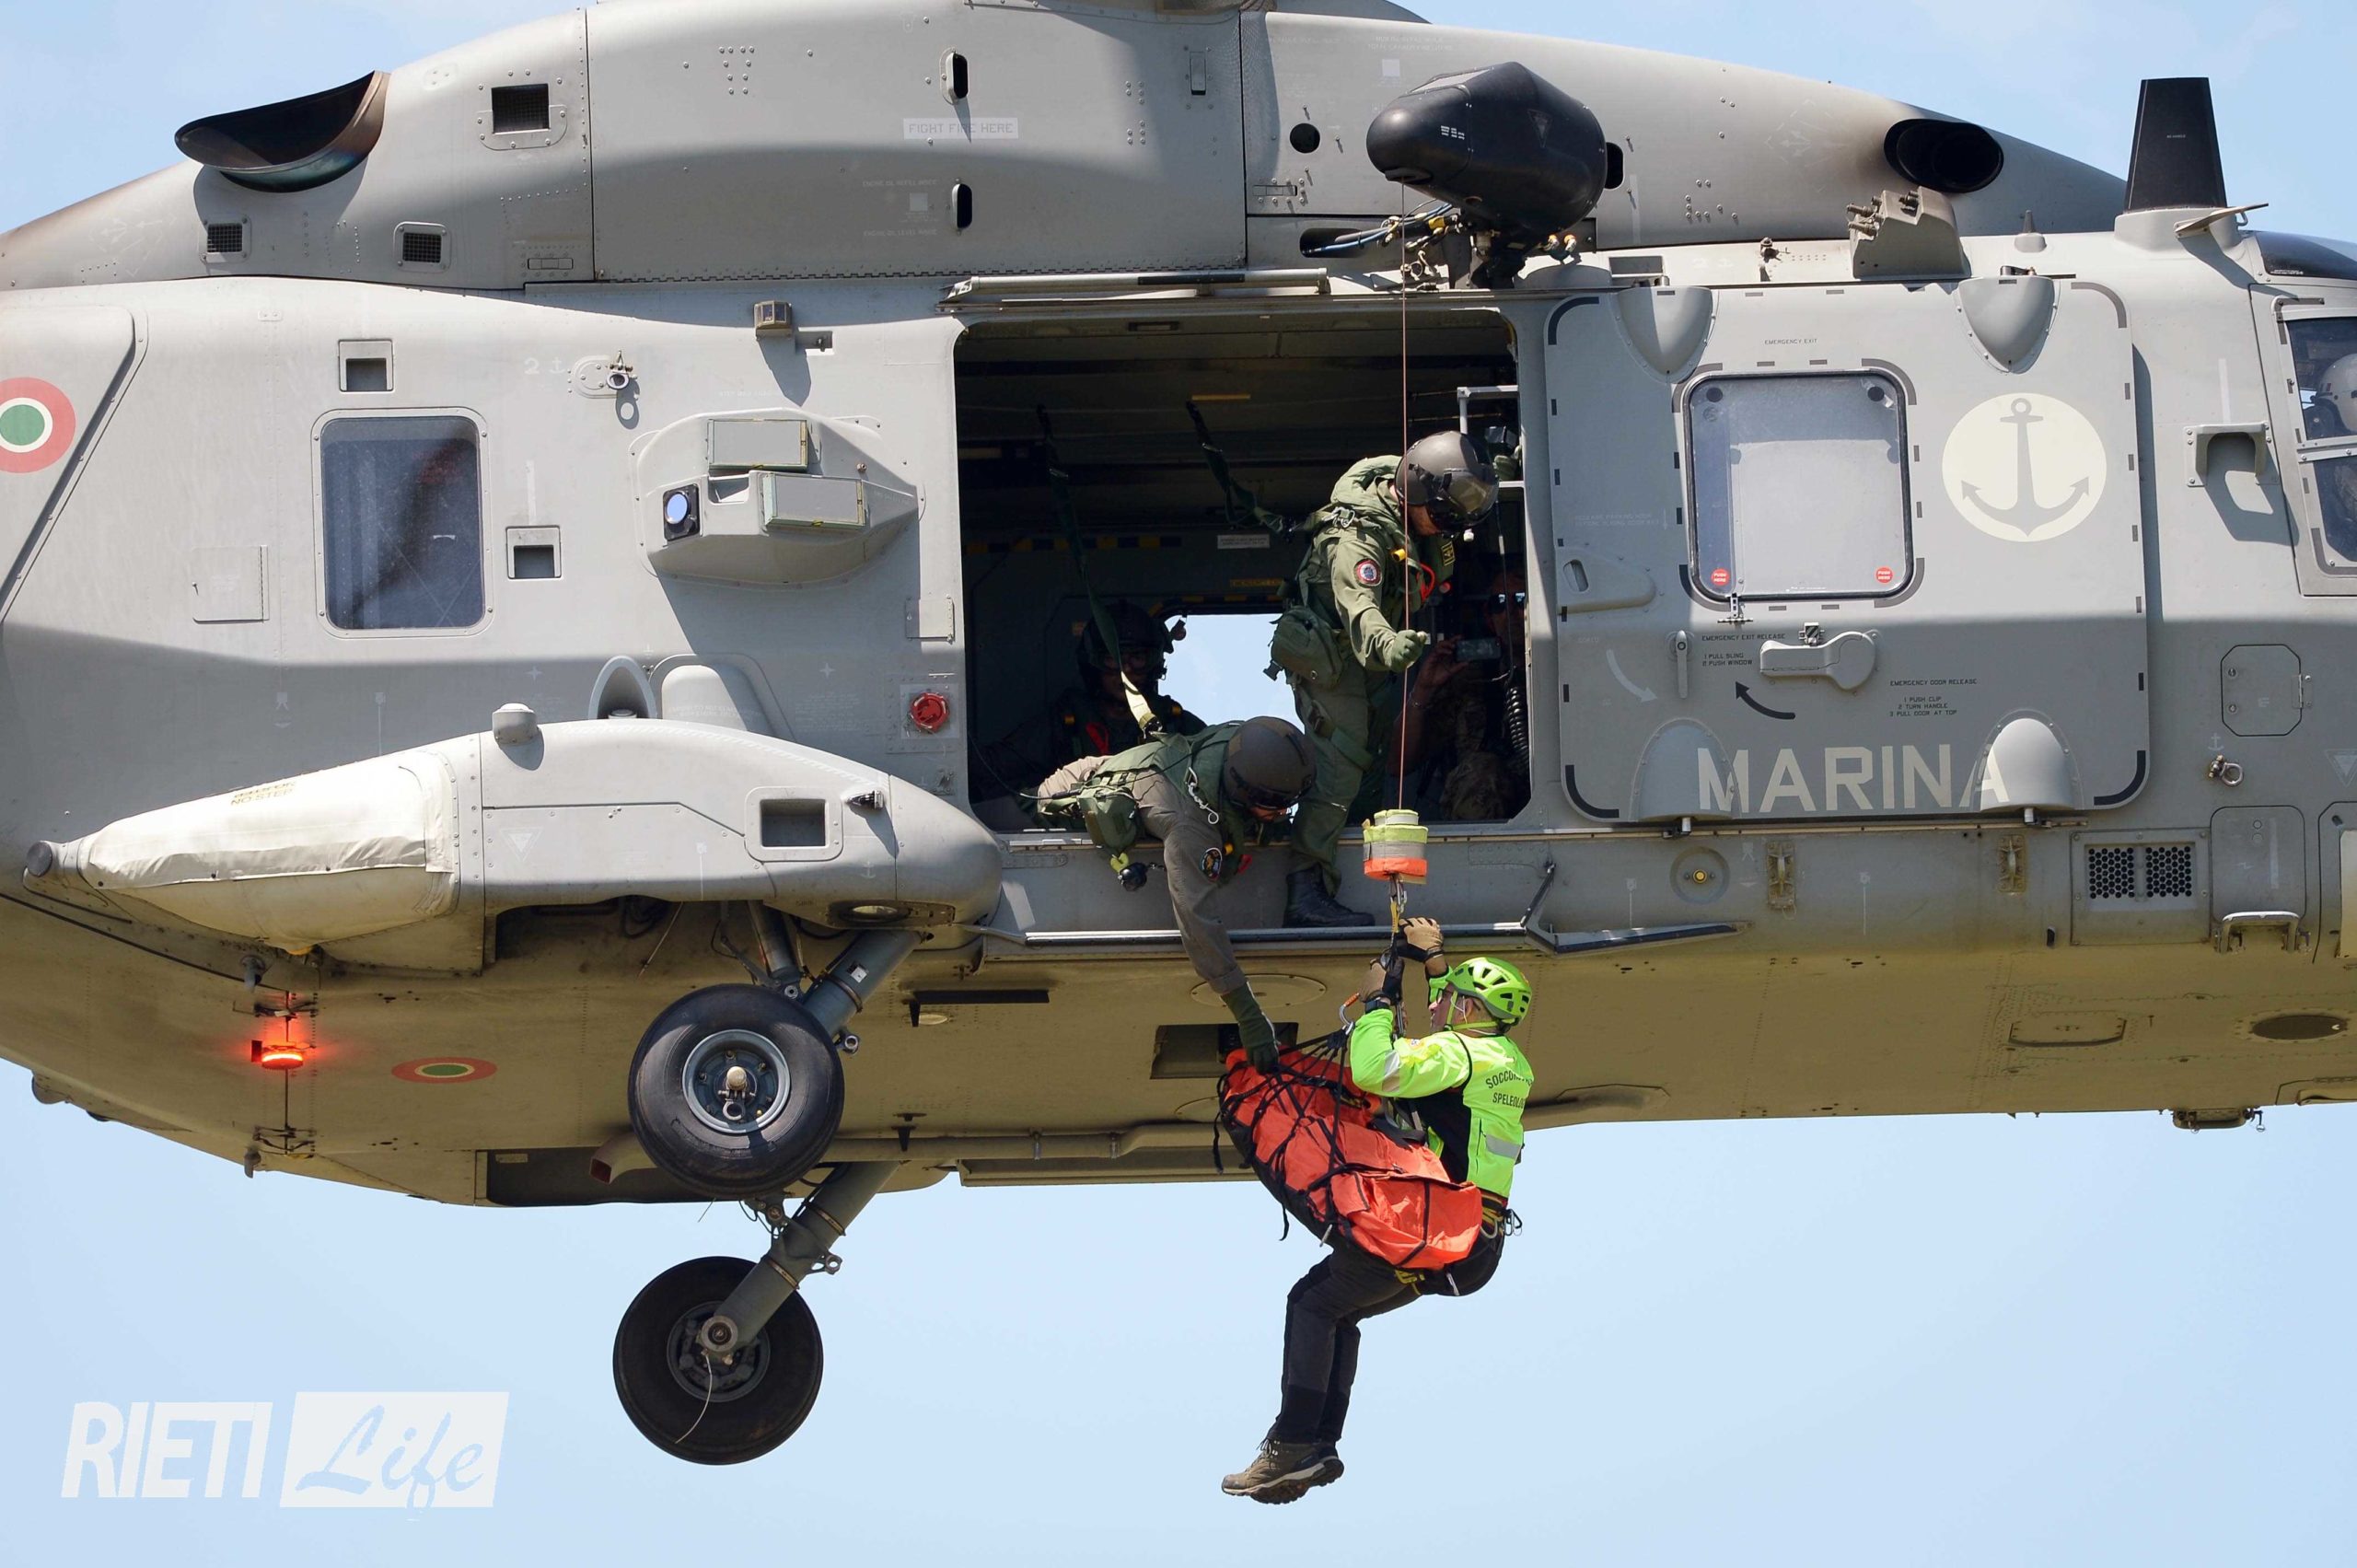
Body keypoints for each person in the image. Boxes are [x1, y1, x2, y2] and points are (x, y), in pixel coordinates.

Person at [1222, 919, 1535, 1504]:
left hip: (1436, 1233)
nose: (1441, 1005)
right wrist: (1430, 958)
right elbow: (1451, 1042)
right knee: (1339, 1313)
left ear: (1468, 1012)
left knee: (1312, 1304)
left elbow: (1373, 1069)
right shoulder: (1508, 1060)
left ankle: (1294, 1446)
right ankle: (1316, 1449)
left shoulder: (1456, 1052)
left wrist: (1378, 1001)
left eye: (1451, 1000)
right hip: (1472, 1247)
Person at [1271, 432, 1497, 926]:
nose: (1446, 529)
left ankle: (1347, 869)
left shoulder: (1412, 508)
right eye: (1441, 519)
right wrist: (1390, 646)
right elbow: (1362, 609)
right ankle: (1304, 891)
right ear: (1414, 495)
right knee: (1342, 761)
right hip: (1333, 657)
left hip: (1363, 664)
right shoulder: (1358, 540)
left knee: (1374, 763)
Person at [1032, 717, 1316, 1065]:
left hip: (1123, 767)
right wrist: (1248, 1014)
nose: (1284, 813)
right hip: (1064, 794)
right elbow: (1197, 923)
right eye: (1276, 806)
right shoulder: (1190, 827)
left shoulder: (1239, 740)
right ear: (1244, 793)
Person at [971, 601, 1202, 827]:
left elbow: (1217, 765)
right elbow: (997, 767)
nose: (1126, 669)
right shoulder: (1069, 720)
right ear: (1094, 664)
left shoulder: (1174, 723)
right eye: (1113, 658)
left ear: (1152, 662)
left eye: (1137, 657)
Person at [1399, 560, 1532, 823]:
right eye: (1499, 603)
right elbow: (1400, 762)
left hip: (1556, 808)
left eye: (1520, 600)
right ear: (1489, 618)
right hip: (1483, 821)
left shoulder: (1569, 671)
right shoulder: (1470, 681)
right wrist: (1423, 690)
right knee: (1482, 770)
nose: (1510, 612)